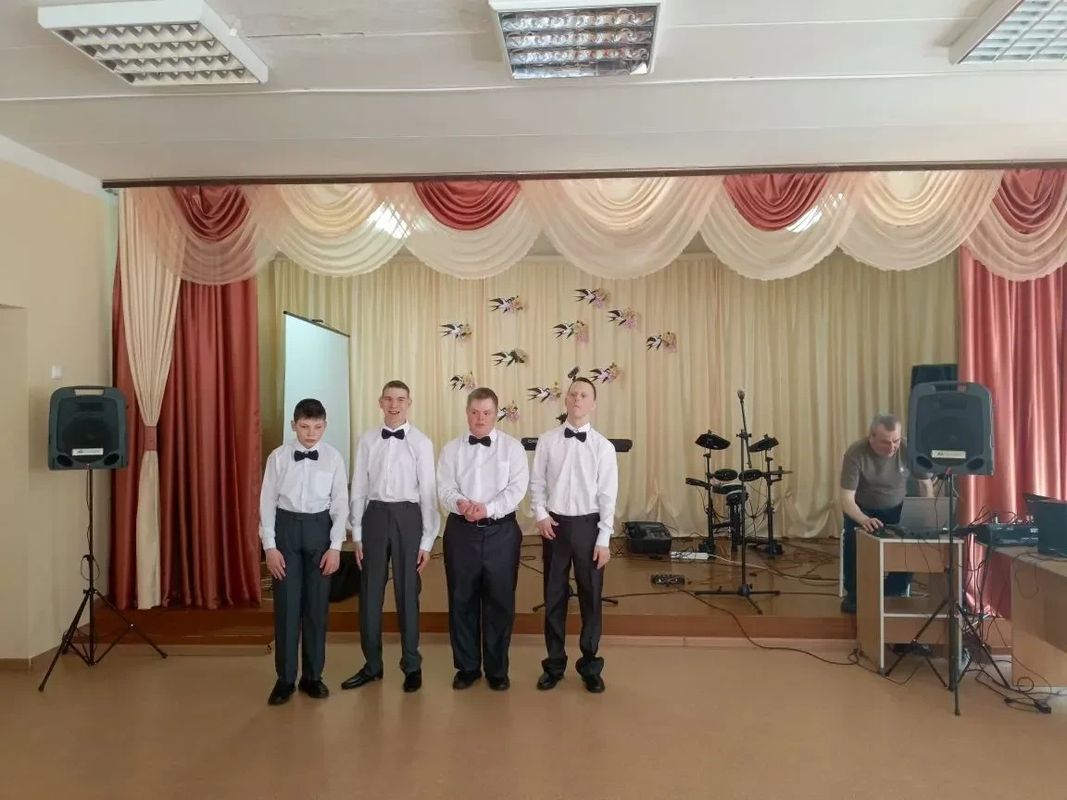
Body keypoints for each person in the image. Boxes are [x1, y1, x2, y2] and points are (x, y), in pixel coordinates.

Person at [341, 380, 439, 694]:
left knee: (407, 592)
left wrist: (427, 540)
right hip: (374, 516)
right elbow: (358, 486)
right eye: (388, 399)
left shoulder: (422, 442)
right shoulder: (367, 440)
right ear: (380, 402)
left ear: (409, 402)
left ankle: (411, 664)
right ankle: (372, 665)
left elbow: (428, 492)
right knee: (370, 592)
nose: (394, 405)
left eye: (400, 399)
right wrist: (357, 533)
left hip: (408, 517)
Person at [437, 387, 529, 691]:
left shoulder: (513, 449)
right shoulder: (451, 449)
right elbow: (444, 487)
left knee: (500, 601)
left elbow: (517, 489)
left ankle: (497, 669)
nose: (480, 418)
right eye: (475, 412)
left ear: (496, 414)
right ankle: (467, 667)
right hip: (461, 532)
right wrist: (461, 504)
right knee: (461, 599)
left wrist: (487, 508)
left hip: (501, 532)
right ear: (467, 413)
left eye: (487, 413)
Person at [530, 377, 618, 694]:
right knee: (553, 597)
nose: (578, 399)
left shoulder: (603, 447)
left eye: (584, 395)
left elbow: (608, 496)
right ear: (566, 400)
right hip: (554, 526)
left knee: (590, 598)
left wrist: (604, 539)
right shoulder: (547, 440)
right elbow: (537, 483)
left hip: (588, 528)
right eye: (573, 394)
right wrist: (540, 514)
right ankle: (554, 664)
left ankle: (590, 665)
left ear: (593, 404)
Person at [260, 398, 348, 706]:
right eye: (305, 427)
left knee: (316, 608)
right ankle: (285, 679)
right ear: (293, 425)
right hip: (285, 529)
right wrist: (270, 546)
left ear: (325, 426)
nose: (311, 434)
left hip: (319, 530)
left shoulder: (334, 458)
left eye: (318, 427)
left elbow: (340, 505)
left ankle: (313, 677)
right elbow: (266, 502)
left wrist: (335, 547)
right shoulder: (278, 457)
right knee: (286, 607)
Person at [839, 413, 933, 614]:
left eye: (896, 441)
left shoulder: (909, 450)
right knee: (853, 539)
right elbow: (846, 499)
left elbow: (925, 485)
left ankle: (893, 591)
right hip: (863, 509)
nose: (892, 447)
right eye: (885, 442)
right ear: (871, 437)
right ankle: (854, 594)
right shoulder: (855, 454)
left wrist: (927, 516)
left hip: (897, 509)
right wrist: (863, 519)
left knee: (910, 540)